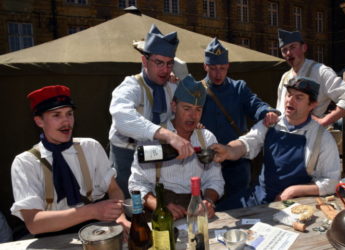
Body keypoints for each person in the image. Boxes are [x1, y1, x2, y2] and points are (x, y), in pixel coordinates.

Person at [10, 85, 130, 237]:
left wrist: (120, 218)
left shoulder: (90, 147)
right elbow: (34, 223)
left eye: (69, 114)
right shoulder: (25, 163)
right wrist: (92, 211)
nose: (66, 121)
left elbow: (113, 189)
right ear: (39, 121)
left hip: (94, 228)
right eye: (56, 115)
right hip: (49, 236)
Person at [212, 78, 341, 210]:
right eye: (289, 94)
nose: (290, 100)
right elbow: (247, 143)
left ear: (312, 104)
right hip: (259, 196)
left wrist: (294, 191)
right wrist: (228, 150)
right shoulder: (271, 124)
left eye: (299, 97)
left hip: (295, 205)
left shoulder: (322, 138)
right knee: (216, 213)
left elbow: (332, 182)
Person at [109, 24, 193, 198]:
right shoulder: (131, 86)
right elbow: (122, 117)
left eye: (169, 64)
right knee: (131, 205)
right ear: (144, 61)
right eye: (159, 63)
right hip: (127, 153)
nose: (165, 69)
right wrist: (168, 135)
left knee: (157, 199)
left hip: (156, 152)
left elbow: (193, 97)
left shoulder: (172, 86)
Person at [129, 75, 225, 220]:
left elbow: (215, 180)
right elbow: (137, 184)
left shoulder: (207, 139)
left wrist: (208, 201)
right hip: (159, 208)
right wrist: (159, 206)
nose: (193, 116)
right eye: (187, 108)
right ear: (174, 106)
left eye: (198, 110)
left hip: (195, 208)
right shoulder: (153, 138)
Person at [200, 38, 279, 204]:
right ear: (205, 66)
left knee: (240, 207)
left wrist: (267, 112)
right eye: (213, 68)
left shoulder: (239, 88)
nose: (217, 74)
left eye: (222, 68)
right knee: (210, 209)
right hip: (208, 164)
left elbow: (255, 104)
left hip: (236, 162)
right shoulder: (196, 90)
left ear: (228, 66)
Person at [276, 29, 345, 127]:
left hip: (307, 137)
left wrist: (325, 121)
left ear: (304, 48)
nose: (288, 53)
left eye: (293, 47)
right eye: (284, 50)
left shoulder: (320, 71)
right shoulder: (285, 76)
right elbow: (280, 109)